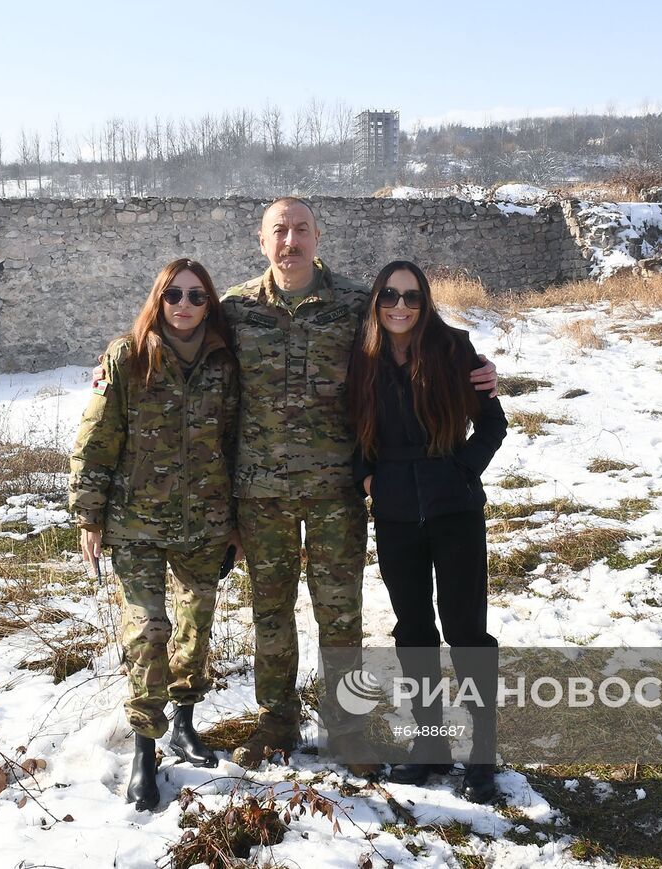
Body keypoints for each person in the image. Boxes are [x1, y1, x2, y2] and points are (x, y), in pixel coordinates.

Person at [220, 198, 498, 774]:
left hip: (335, 490)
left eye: (301, 230)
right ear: (261, 239)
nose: (290, 241)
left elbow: (413, 349)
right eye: (279, 231)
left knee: (340, 615)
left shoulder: (355, 306)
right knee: (270, 611)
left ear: (318, 237)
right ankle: (275, 720)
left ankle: (346, 730)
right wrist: (115, 364)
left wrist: (477, 372)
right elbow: (182, 347)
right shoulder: (234, 309)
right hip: (261, 489)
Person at [68, 258, 239, 811]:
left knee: (195, 628)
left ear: (209, 302)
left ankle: (184, 721)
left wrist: (237, 519)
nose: (184, 306)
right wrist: (89, 513)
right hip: (135, 521)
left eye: (196, 296)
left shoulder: (224, 361)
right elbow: (97, 437)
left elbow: (238, 442)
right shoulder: (128, 356)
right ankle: (146, 744)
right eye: (174, 295)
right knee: (146, 630)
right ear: (158, 299)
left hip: (205, 522)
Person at [348, 260, 507, 803]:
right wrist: (368, 479)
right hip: (394, 515)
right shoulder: (362, 357)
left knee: (467, 632)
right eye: (390, 294)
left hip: (454, 511)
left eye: (411, 296)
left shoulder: (454, 349)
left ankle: (481, 753)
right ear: (376, 299)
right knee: (414, 630)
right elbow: (350, 431)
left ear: (425, 301)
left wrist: (460, 472)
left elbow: (493, 423)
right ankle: (430, 743)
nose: (400, 305)